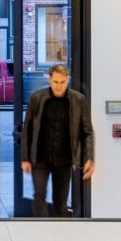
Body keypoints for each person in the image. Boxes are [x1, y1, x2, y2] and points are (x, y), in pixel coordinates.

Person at [20, 64, 95, 217]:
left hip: (65, 159)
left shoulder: (79, 100)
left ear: (67, 80)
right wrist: (25, 158)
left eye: (62, 82)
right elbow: (27, 129)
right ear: (49, 79)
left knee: (60, 202)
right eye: (55, 82)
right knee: (39, 197)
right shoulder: (37, 98)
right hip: (40, 158)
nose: (59, 86)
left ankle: (61, 236)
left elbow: (87, 132)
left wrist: (89, 158)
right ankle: (41, 234)